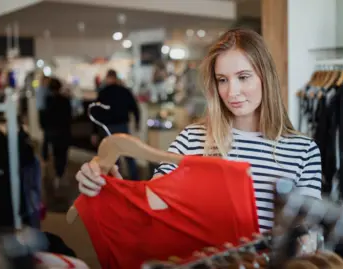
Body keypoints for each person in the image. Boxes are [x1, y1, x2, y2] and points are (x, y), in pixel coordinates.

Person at [75, 29, 322, 232]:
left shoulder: (303, 151)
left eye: (243, 77)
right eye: (222, 80)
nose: (232, 92)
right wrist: (109, 184)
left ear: (265, 77)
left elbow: (307, 234)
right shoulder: (192, 139)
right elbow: (152, 204)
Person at [90, 69, 140, 180]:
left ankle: (117, 180)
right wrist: (137, 123)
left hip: (108, 128)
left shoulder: (103, 92)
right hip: (123, 126)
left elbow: (96, 113)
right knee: (128, 153)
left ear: (108, 78)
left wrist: (94, 132)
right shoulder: (124, 91)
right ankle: (135, 179)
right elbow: (135, 108)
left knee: (113, 157)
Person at [43, 77, 72, 188]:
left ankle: (58, 175)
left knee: (56, 153)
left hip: (53, 131)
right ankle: (61, 174)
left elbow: (45, 117)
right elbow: (69, 117)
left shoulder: (48, 101)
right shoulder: (65, 100)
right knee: (63, 154)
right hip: (64, 131)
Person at [37, 76, 51, 162]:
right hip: (45, 113)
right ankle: (45, 155)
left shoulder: (39, 89)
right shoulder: (45, 90)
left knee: (45, 135)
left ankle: (45, 155)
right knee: (46, 136)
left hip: (42, 113)